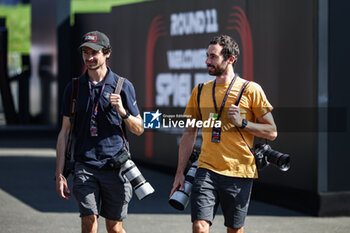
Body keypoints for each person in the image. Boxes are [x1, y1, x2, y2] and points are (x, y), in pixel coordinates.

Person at [170, 35, 277, 233]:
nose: (207, 61)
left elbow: (271, 131)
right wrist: (179, 173)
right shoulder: (200, 90)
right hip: (206, 169)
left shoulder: (251, 89)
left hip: (239, 171)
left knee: (234, 230)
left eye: (213, 56)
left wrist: (243, 123)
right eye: (207, 56)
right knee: (199, 227)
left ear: (230, 59)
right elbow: (189, 133)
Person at [55, 31, 144, 233]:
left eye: (94, 52)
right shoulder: (74, 87)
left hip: (116, 166)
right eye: (85, 52)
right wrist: (59, 173)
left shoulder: (123, 86)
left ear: (107, 53)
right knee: (89, 221)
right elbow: (65, 132)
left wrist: (123, 112)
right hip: (85, 166)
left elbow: (139, 128)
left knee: (114, 227)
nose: (89, 57)